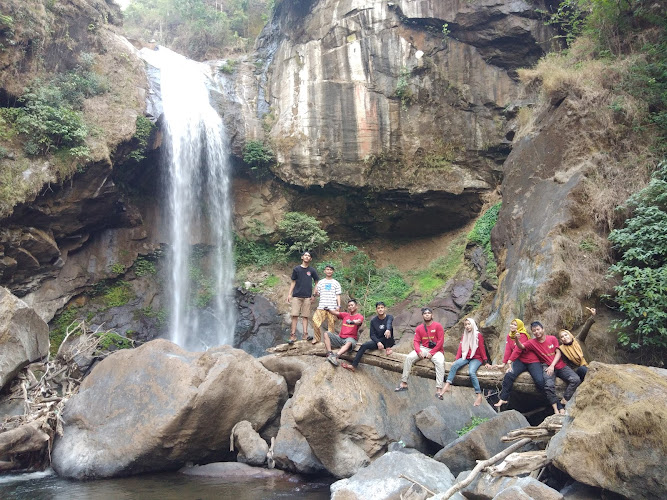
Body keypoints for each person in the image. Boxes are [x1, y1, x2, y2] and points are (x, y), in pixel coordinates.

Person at [511, 321, 581, 415]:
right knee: (548, 385)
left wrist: (552, 365)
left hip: (559, 365)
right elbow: (521, 346)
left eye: (538, 329)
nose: (536, 332)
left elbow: (558, 352)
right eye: (534, 331)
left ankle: (565, 400)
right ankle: (556, 410)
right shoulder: (532, 342)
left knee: (576, 379)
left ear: (543, 329)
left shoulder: (552, 338)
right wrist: (516, 340)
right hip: (546, 366)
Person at [493, 318, 545, 409]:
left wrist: (510, 361)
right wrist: (504, 363)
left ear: (519, 326)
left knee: (540, 381)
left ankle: (547, 399)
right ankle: (503, 398)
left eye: (515, 325)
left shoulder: (523, 335)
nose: (512, 326)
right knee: (509, 375)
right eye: (511, 324)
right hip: (520, 361)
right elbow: (508, 350)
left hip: (532, 360)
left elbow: (518, 349)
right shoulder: (509, 336)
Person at [395, 307, 445, 397]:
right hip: (424, 348)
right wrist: (418, 351)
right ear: (422, 316)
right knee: (409, 358)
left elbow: (440, 341)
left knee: (440, 362)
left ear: (432, 315)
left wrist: (432, 353)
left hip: (436, 350)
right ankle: (404, 383)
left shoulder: (438, 326)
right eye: (425, 313)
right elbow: (416, 341)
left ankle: (439, 389)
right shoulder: (419, 328)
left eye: (428, 313)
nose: (427, 315)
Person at [440, 318, 490, 405]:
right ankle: (447, 385)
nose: (467, 326)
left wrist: (486, 362)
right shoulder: (464, 335)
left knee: (471, 372)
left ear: (473, 324)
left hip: (476, 358)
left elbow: (482, 349)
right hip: (466, 356)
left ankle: (478, 395)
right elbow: (460, 348)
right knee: (454, 366)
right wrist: (456, 360)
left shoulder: (478, 335)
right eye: (466, 325)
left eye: (469, 324)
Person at [341, 302, 394, 372]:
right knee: (364, 346)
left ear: (385, 309)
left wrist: (387, 329)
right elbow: (372, 335)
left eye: (382, 308)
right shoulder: (373, 321)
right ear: (376, 310)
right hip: (378, 341)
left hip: (388, 340)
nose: (380, 309)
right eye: (378, 308)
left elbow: (389, 323)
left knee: (390, 329)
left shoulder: (389, 317)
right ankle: (354, 365)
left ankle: (388, 348)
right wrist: (378, 342)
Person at [286, 251, 319, 344]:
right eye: (305, 255)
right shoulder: (296, 269)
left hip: (307, 297)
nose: (307, 257)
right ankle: (293, 335)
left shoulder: (312, 270)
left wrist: (314, 294)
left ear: (310, 259)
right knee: (294, 315)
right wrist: (289, 294)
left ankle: (305, 334)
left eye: (309, 256)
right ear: (302, 257)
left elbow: (317, 282)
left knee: (305, 316)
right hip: (296, 296)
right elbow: (293, 282)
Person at [558, 307, 596, 381]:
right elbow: (566, 365)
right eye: (562, 337)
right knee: (582, 369)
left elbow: (585, 329)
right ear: (561, 340)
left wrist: (592, 316)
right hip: (578, 371)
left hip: (590, 365)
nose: (565, 337)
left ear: (570, 334)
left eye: (566, 335)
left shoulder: (578, 340)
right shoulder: (561, 349)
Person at [323, 299, 364, 366]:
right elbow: (336, 313)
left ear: (356, 306)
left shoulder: (359, 316)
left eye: (352, 305)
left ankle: (336, 356)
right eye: (349, 306)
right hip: (340, 337)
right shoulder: (345, 315)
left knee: (349, 342)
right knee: (326, 333)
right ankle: (330, 353)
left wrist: (352, 322)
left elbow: (359, 321)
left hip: (350, 338)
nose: (350, 307)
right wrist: (328, 309)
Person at [311, 265, 341, 345]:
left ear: (333, 272)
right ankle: (317, 338)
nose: (329, 271)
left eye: (330, 270)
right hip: (322, 306)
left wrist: (338, 306)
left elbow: (338, 295)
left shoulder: (336, 283)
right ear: (324, 271)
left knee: (331, 326)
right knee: (315, 320)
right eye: (327, 269)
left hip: (332, 307)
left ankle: (330, 342)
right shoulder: (321, 282)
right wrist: (315, 294)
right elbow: (318, 294)